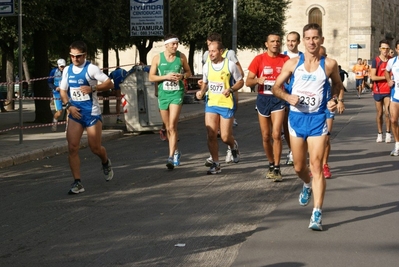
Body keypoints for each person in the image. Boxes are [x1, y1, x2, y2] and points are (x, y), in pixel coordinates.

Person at [272, 23, 345, 231]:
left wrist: (334, 99)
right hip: (296, 120)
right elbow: (276, 88)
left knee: (316, 166)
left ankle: (317, 213)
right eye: (308, 38)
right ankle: (306, 185)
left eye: (315, 38)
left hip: (317, 120)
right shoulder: (293, 64)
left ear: (321, 40)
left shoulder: (329, 64)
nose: (311, 42)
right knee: (298, 167)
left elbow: (338, 85)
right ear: (303, 41)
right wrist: (288, 96)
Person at [59, 41, 114, 194]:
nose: (74, 59)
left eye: (78, 56)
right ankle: (77, 182)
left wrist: (93, 88)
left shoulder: (91, 69)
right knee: (72, 147)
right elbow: (63, 91)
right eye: (72, 56)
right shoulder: (67, 70)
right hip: (75, 113)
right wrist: (68, 105)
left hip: (91, 113)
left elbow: (109, 83)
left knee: (94, 148)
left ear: (85, 55)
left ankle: (105, 161)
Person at [246, 33, 290, 181]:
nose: (275, 43)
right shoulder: (259, 59)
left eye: (278, 41)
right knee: (265, 136)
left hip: (278, 99)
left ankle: (277, 168)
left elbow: (293, 75)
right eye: (272, 41)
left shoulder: (285, 60)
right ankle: (271, 163)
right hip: (263, 99)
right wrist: (258, 80)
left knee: (276, 134)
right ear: (266, 44)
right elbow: (248, 82)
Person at [196, 41, 243, 174]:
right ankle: (216, 164)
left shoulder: (230, 65)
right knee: (211, 134)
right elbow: (205, 83)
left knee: (225, 137)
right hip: (211, 104)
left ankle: (233, 145)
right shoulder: (207, 66)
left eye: (213, 51)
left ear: (221, 51)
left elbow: (240, 81)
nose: (210, 54)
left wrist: (231, 89)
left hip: (226, 104)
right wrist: (201, 92)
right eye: (209, 51)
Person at [149, 34, 192, 169]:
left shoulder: (181, 57)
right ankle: (177, 151)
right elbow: (151, 77)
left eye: (177, 44)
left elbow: (189, 72)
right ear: (166, 45)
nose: (175, 46)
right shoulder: (157, 58)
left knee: (172, 126)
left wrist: (183, 76)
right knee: (168, 127)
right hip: (163, 95)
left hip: (176, 94)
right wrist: (165, 76)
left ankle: (170, 156)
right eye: (173, 44)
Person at [318, 46, 345, 179]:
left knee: (326, 137)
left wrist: (338, 100)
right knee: (313, 139)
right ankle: (315, 164)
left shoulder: (329, 66)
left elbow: (338, 85)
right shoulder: (308, 67)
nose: (320, 57)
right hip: (313, 109)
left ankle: (324, 165)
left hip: (328, 106)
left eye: (322, 55)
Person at [282, 31, 304, 166]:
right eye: (288, 40)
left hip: (298, 96)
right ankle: (292, 151)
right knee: (285, 126)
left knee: (297, 124)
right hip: (283, 94)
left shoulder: (303, 57)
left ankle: (298, 150)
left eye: (293, 41)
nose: (290, 43)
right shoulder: (282, 57)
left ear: (298, 42)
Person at [370, 39, 392, 143]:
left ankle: (388, 133)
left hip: (388, 90)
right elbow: (373, 77)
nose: (385, 50)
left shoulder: (391, 60)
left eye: (387, 48)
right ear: (380, 49)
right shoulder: (376, 61)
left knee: (388, 112)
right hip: (378, 90)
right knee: (379, 113)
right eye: (383, 48)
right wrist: (386, 77)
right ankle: (379, 133)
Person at [384, 40, 399, 156]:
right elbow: (386, 71)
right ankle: (397, 144)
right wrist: (389, 80)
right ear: (396, 49)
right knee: (393, 120)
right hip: (396, 94)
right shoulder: (392, 61)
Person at [48, 58, 66, 132]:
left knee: (69, 110)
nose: (62, 68)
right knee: (60, 111)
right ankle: (54, 123)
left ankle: (67, 128)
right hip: (57, 93)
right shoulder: (53, 71)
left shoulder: (67, 71)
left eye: (63, 66)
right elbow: (49, 82)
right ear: (58, 66)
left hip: (66, 92)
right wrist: (55, 88)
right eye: (61, 66)